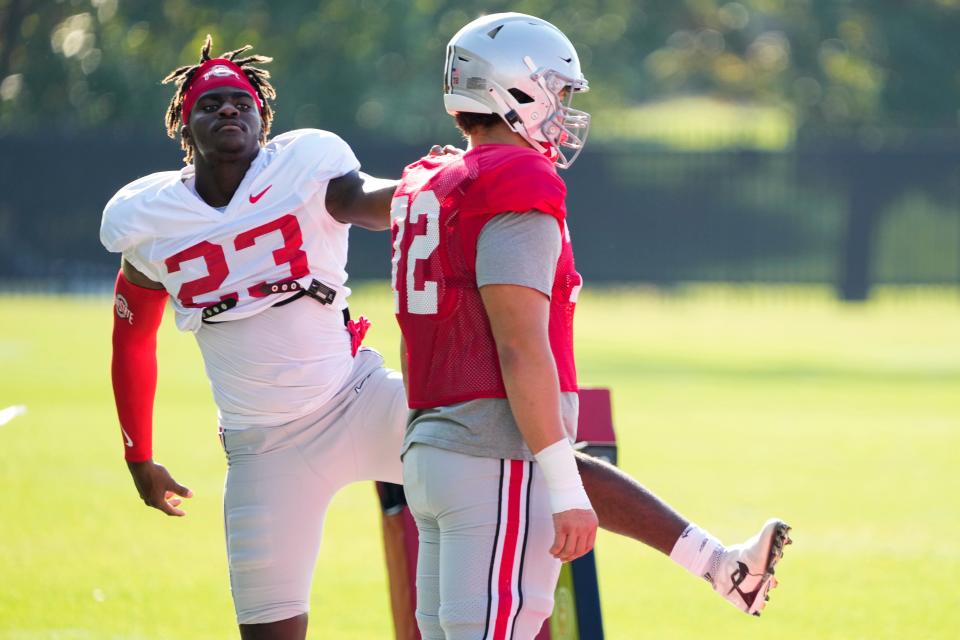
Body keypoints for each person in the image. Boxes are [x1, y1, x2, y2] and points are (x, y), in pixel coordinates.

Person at [100, 34, 788, 640]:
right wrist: (139, 454)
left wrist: (461, 181)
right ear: (183, 125)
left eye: (241, 102)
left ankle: (718, 564)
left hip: (353, 398)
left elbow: (384, 202)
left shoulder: (304, 171)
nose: (228, 110)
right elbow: (132, 338)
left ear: (264, 117)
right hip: (260, 445)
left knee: (521, 446)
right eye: (211, 103)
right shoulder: (152, 219)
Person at [391, 13, 791, 640]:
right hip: (496, 456)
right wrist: (564, 482)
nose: (564, 108)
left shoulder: (432, 181)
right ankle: (720, 566)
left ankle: (719, 566)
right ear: (511, 88)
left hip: (434, 453)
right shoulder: (514, 179)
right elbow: (520, 348)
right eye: (558, 90)